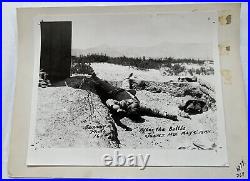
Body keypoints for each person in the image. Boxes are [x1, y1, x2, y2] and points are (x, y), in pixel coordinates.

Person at [89, 73, 180, 122]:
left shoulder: (123, 105)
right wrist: (167, 115)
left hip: (114, 91)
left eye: (131, 103)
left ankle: (92, 77)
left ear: (128, 107)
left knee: (102, 83)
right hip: (127, 91)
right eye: (134, 103)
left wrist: (117, 109)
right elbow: (155, 111)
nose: (133, 102)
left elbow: (110, 102)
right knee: (126, 83)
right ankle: (126, 78)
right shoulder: (139, 106)